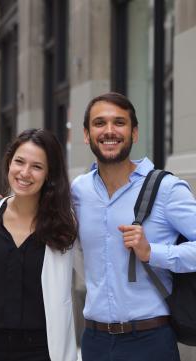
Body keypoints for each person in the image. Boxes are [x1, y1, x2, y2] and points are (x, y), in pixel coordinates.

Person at [72, 92, 196, 361]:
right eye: (99, 123)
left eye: (119, 122)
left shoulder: (165, 188)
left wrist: (153, 252)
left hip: (150, 341)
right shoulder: (78, 191)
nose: (109, 131)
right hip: (94, 341)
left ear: (134, 133)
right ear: (86, 134)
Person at [0, 128, 78, 361]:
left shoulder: (64, 223)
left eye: (37, 166)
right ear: (9, 163)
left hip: (42, 349)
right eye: (19, 162)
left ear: (49, 174)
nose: (25, 173)